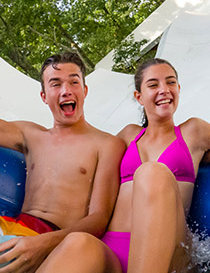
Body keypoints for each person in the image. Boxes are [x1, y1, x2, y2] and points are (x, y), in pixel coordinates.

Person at [37, 58, 210, 273]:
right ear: (139, 96)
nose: (164, 90)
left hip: (167, 252)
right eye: (153, 85)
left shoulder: (194, 131)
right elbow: (88, 164)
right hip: (112, 250)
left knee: (151, 172)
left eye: (171, 82)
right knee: (78, 242)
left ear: (179, 88)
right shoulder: (127, 136)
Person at [0, 52, 125, 272]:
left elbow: (99, 218)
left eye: (74, 82)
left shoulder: (106, 144)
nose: (66, 90)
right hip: (12, 230)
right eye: (55, 84)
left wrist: (41, 244)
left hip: (56, 243)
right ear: (44, 96)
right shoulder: (30, 134)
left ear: (84, 91)